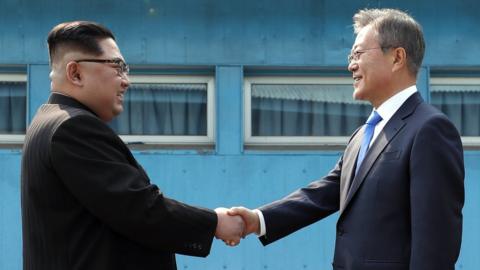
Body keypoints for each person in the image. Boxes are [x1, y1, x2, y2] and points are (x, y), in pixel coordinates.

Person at [229, 8, 464, 270]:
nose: (350, 65)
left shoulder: (430, 129)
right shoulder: (363, 134)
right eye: (351, 55)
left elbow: (435, 246)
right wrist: (257, 219)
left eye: (359, 54)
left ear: (397, 57)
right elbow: (324, 194)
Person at [21, 21, 243, 270]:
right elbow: (139, 209)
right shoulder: (73, 128)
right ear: (75, 73)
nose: (126, 81)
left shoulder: (48, 121)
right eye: (117, 67)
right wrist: (216, 223)